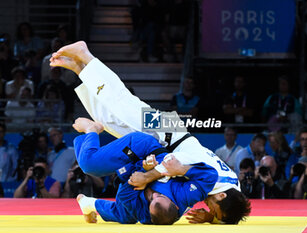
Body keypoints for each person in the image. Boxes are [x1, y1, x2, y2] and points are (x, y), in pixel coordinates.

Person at [49, 41, 250, 224]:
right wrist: (146, 177)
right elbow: (172, 162)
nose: (209, 208)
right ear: (221, 197)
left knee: (108, 121)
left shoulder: (233, 189)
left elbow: (229, 216)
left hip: (171, 131)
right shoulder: (214, 181)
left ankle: (79, 69)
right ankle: (86, 57)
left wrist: (211, 219)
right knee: (121, 103)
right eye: (213, 209)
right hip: (167, 130)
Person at [71, 118, 229, 224]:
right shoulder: (187, 195)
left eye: (151, 200)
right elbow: (210, 175)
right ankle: (91, 129)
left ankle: (87, 203)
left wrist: (141, 170)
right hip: (143, 148)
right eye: (160, 196)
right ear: (175, 204)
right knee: (89, 165)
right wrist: (180, 169)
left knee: (126, 216)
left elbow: (125, 195)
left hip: (133, 165)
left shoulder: (146, 216)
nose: (154, 194)